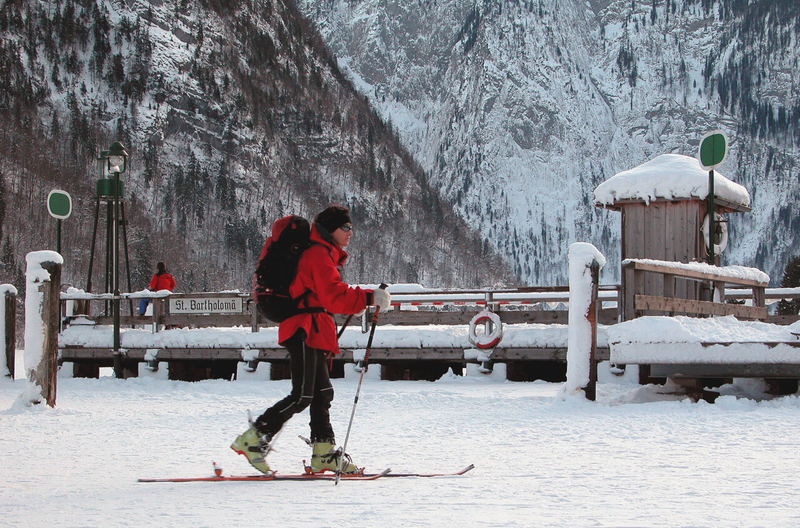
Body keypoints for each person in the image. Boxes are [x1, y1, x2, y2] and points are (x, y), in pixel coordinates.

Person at [231, 205, 391, 475]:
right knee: (303, 394)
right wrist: (367, 297)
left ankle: (323, 453)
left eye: (351, 227)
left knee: (321, 394)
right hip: (304, 328)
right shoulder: (317, 253)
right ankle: (253, 439)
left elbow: (327, 295)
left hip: (313, 328)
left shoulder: (323, 253)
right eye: (346, 227)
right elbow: (332, 295)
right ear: (331, 230)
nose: (351, 232)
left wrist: (365, 298)